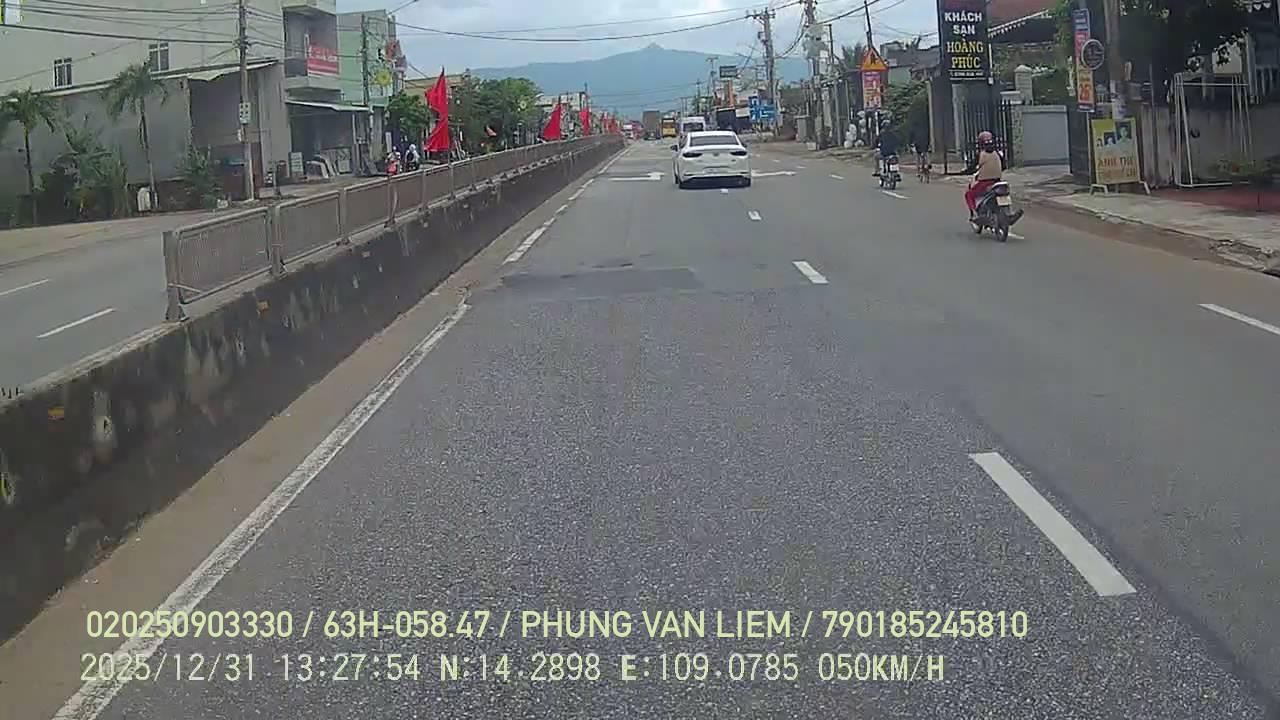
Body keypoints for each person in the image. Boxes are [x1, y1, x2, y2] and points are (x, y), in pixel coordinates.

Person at [965, 131, 1002, 217]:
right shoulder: (998, 153)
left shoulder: (981, 154)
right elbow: (1004, 166)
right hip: (998, 181)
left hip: (985, 182)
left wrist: (965, 171)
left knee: (969, 194)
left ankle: (974, 214)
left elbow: (972, 167)